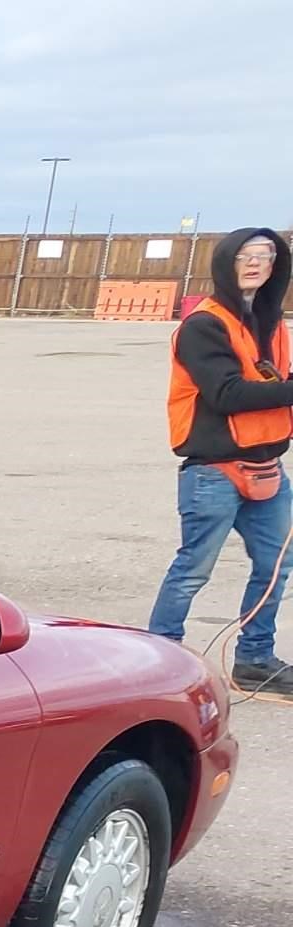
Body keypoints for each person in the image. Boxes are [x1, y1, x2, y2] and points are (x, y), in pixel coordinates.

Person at [150, 227, 293, 694]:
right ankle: (159, 659)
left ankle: (254, 658)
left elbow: (275, 385)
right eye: (245, 256)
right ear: (226, 263)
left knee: (277, 564)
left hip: (268, 465)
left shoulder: (272, 324)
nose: (255, 263)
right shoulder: (204, 325)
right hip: (214, 471)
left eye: (265, 255)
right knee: (194, 569)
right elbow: (227, 393)